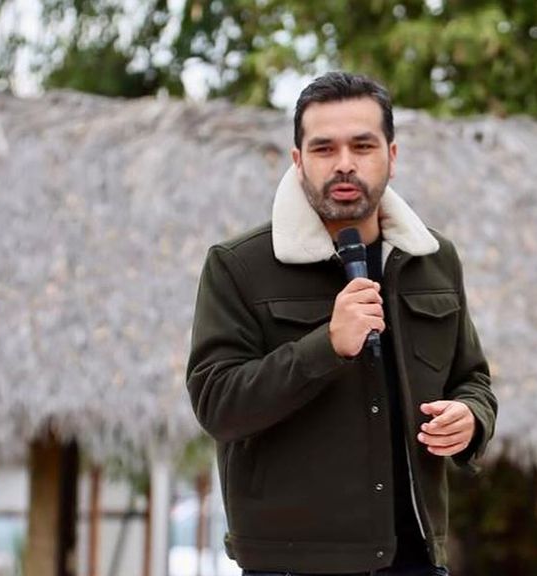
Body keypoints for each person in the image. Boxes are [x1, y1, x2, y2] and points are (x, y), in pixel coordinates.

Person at [186, 71, 497, 576]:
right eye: (324, 148)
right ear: (298, 160)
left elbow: (473, 378)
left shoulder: (434, 259)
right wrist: (325, 346)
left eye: (363, 145)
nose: (345, 163)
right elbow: (217, 404)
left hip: (415, 559)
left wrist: (471, 417)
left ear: (391, 156)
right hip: (290, 565)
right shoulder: (238, 266)